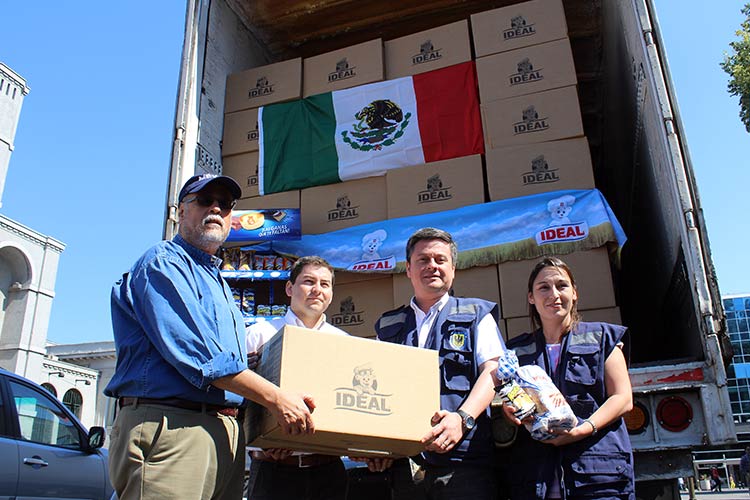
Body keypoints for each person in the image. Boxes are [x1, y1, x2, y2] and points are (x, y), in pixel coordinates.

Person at [104, 174, 315, 500]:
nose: (215, 208)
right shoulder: (163, 263)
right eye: (204, 200)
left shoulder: (215, 280)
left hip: (221, 431)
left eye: (225, 203)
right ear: (180, 212)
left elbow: (228, 362)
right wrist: (277, 398)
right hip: (173, 427)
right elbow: (207, 361)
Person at [372, 227, 506, 500]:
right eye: (423, 260)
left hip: (464, 463)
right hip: (404, 465)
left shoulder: (476, 314)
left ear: (453, 269)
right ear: (408, 269)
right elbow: (374, 385)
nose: (432, 266)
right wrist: (375, 446)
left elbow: (493, 371)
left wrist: (462, 418)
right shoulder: (387, 325)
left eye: (440, 259)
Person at [496, 256, 634, 500]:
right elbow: (505, 398)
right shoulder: (515, 352)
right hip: (536, 476)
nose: (554, 294)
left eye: (562, 285)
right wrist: (510, 411)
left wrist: (584, 428)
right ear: (531, 297)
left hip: (596, 470)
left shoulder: (603, 338)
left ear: (575, 293)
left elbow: (623, 398)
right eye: (543, 288)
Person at [245, 256, 348, 500]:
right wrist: (264, 442)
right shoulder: (259, 334)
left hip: (329, 472)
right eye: (308, 281)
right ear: (290, 288)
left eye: (325, 284)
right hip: (273, 472)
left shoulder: (343, 342)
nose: (317, 290)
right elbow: (240, 399)